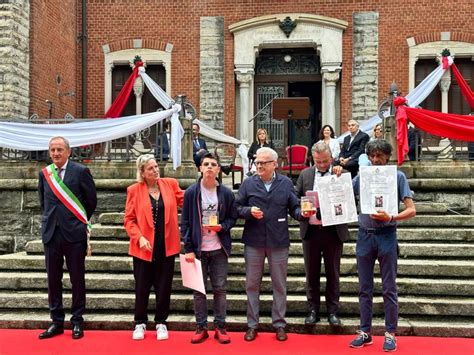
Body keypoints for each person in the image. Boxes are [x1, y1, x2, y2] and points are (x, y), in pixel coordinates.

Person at [349, 139, 416, 352]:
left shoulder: (398, 177)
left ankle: (390, 333)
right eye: (372, 156)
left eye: (380, 156)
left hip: (387, 235)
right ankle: (365, 332)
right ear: (368, 157)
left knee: (389, 288)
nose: (376, 160)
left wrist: (392, 217)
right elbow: (343, 193)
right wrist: (339, 175)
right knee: (364, 288)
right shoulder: (362, 177)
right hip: (364, 236)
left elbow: (412, 210)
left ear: (387, 156)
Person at [235, 147, 303, 342]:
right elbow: (236, 207)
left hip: (278, 241)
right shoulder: (248, 183)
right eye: (257, 162)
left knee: (279, 285)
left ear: (275, 164)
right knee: (252, 285)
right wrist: (248, 212)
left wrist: (302, 214)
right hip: (254, 241)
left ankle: (280, 324)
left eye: (263, 163)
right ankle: (252, 325)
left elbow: (294, 207)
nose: (259, 166)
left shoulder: (285, 183)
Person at [38, 136, 97, 340]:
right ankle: (56, 321)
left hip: (74, 234)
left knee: (76, 279)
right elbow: (43, 202)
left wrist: (78, 222)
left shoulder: (81, 171)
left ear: (68, 152)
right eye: (52, 150)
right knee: (53, 280)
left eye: (59, 150)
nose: (55, 153)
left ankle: (77, 321)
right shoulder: (44, 174)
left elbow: (91, 201)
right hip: (51, 234)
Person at [124, 154, 184, 341]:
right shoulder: (134, 190)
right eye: (151, 168)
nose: (156, 170)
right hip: (143, 247)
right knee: (142, 287)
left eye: (156, 166)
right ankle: (140, 323)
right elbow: (129, 219)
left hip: (166, 245)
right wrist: (139, 237)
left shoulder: (170, 184)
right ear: (142, 172)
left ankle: (161, 323)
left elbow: (189, 201)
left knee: (164, 286)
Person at [181, 153, 237, 344]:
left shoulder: (226, 193)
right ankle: (201, 326)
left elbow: (232, 218)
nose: (210, 167)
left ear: (219, 170)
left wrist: (223, 227)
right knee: (199, 291)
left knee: (220, 289)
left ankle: (220, 326)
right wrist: (188, 248)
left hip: (218, 248)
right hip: (198, 249)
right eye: (206, 164)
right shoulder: (191, 193)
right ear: (200, 168)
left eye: (214, 164)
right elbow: (185, 223)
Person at [295, 142, 349, 327]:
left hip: (333, 232)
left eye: (325, 161)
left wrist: (341, 177)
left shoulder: (341, 174)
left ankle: (333, 312)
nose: (322, 165)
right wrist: (301, 210)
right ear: (313, 159)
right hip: (311, 231)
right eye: (318, 161)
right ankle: (313, 310)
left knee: (333, 273)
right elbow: (295, 198)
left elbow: (350, 199)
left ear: (331, 158)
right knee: (312, 274)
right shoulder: (305, 174)